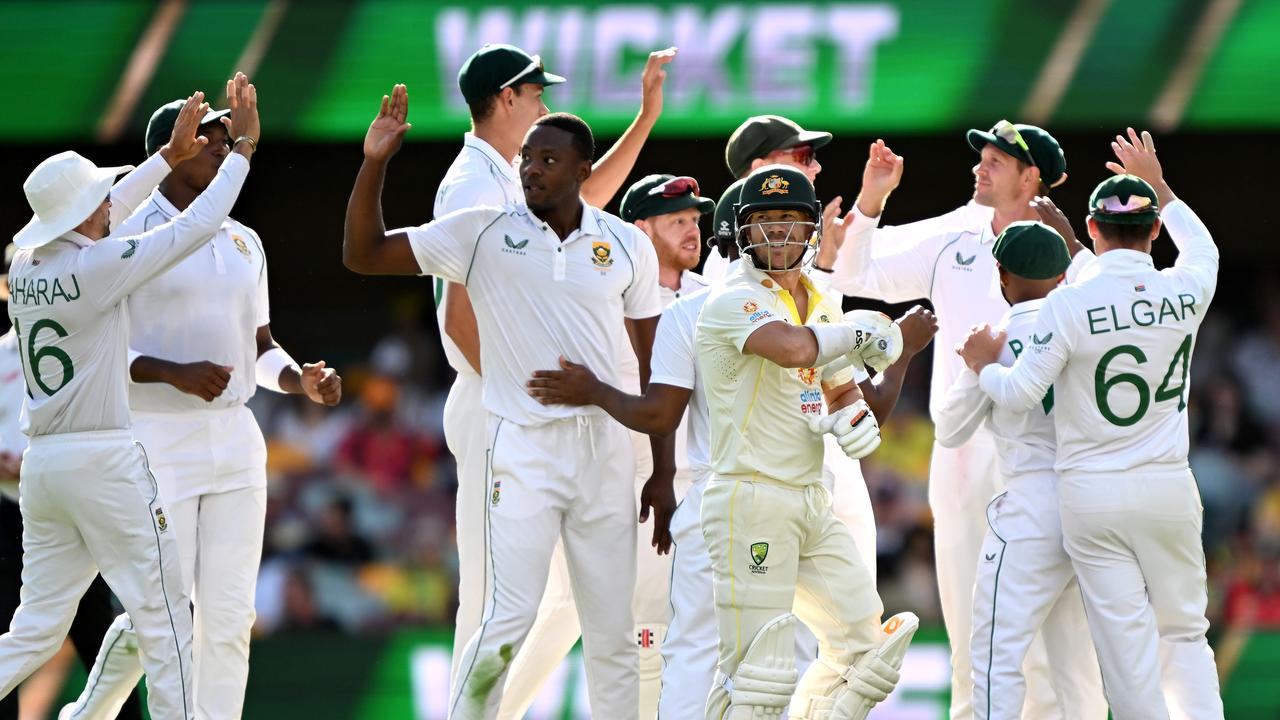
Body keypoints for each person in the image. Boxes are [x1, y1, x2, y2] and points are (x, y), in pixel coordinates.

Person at [343, 85, 660, 719]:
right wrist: (374, 162)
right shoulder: (481, 230)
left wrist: (665, 472)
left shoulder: (626, 244)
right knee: (505, 620)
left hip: (605, 452)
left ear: (583, 171)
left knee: (612, 635)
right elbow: (364, 254)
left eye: (549, 160)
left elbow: (653, 374)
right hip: (523, 448)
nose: (532, 169)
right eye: (527, 159)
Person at [61, 95, 342, 720]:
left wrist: (302, 382)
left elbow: (260, 348)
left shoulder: (245, 240)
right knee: (162, 612)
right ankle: (92, 711)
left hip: (236, 437)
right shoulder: (124, 232)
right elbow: (93, 347)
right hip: (154, 435)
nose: (223, 145)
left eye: (226, 136)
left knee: (231, 614)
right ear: (173, 147)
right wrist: (172, 372)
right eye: (210, 136)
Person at [0, 77, 258, 720]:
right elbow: (196, 224)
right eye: (97, 199)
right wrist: (245, 147)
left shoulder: (30, 263)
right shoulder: (99, 266)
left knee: (33, 631)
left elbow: (106, 203)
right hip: (103, 460)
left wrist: (168, 158)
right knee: (167, 617)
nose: (108, 204)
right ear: (83, 213)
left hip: (44, 466)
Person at [433, 44, 676, 714]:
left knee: (569, 601)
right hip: (502, 406)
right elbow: (459, 318)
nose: (544, 104)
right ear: (506, 98)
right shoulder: (475, 185)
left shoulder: (508, 179)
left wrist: (645, 118)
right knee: (491, 605)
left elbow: (586, 202)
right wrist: (522, 404)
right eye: (536, 94)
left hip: (529, 407)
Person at [830, 123, 1097, 719]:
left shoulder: (1067, 252)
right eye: (983, 156)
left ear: (1032, 178)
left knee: (1059, 641)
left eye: (998, 161)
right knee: (970, 625)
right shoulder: (954, 234)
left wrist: (1077, 251)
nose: (981, 167)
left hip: (1053, 455)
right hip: (965, 448)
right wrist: (872, 199)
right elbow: (853, 277)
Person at [958, 130, 1224, 719]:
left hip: (1091, 492)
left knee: (1125, 650)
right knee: (1183, 634)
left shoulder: (1067, 303)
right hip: (1168, 484)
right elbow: (1203, 249)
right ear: (1154, 231)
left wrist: (981, 368)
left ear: (1091, 229)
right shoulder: (1186, 288)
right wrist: (1159, 185)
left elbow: (1022, 391)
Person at [694, 164, 916, 718]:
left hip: (811, 498)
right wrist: (871, 332)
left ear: (812, 228)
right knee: (756, 677)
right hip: (750, 498)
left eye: (790, 221)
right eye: (765, 221)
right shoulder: (730, 301)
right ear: (742, 232)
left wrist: (853, 417)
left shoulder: (820, 300)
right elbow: (796, 349)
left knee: (869, 650)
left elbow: (837, 384)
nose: (778, 234)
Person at [934, 222, 1105, 719]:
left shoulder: (998, 338)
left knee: (994, 654)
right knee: (1078, 664)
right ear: (1062, 277)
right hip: (1091, 500)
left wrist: (976, 366)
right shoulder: (1090, 330)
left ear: (1002, 275)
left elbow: (949, 430)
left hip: (1030, 504)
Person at [0, 244, 144, 720]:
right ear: (9, 286)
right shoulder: (1, 354)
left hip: (76, 500)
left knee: (96, 626)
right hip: (10, 515)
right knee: (17, 631)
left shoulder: (83, 340)